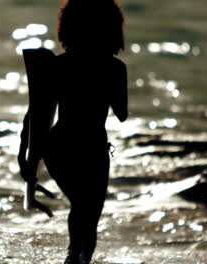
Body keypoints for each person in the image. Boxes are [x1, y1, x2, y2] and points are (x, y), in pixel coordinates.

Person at [18, 0, 128, 263]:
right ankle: (76, 258)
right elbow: (122, 114)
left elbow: (35, 113)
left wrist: (25, 154)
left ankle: (72, 257)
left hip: (59, 147)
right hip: (93, 149)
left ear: (68, 28)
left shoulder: (58, 66)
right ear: (112, 29)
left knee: (82, 209)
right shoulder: (115, 68)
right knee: (89, 214)